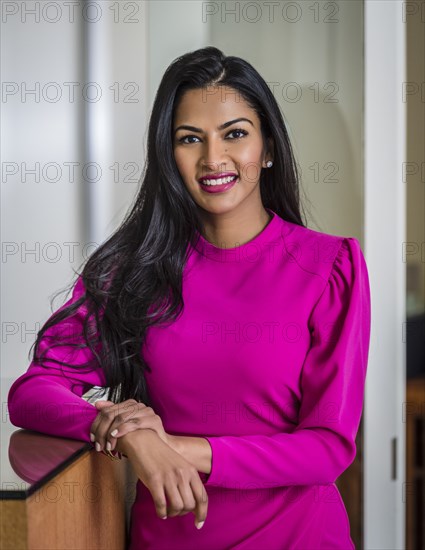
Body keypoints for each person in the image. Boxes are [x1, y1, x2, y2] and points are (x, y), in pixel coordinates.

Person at [7, 46, 371, 549]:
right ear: (168, 154)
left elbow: (327, 447)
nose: (213, 158)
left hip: (299, 536)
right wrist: (126, 434)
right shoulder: (128, 272)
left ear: (267, 149)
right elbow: (32, 393)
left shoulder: (330, 266)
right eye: (189, 139)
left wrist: (172, 448)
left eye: (235, 134)